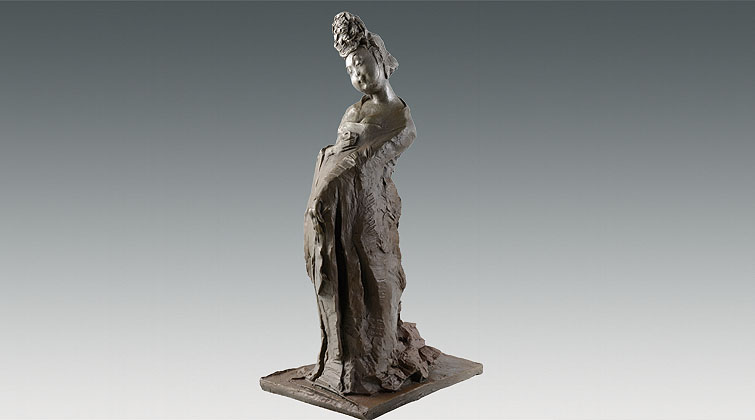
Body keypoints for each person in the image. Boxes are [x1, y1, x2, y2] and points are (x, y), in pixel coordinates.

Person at [302, 12, 440, 395]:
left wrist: (355, 149)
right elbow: (338, 154)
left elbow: (374, 156)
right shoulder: (353, 111)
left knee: (376, 280)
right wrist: (336, 157)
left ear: (379, 58)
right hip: (343, 202)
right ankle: (343, 361)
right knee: (338, 271)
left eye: (361, 63)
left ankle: (374, 361)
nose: (357, 74)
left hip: (370, 207)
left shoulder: (400, 118)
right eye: (350, 70)